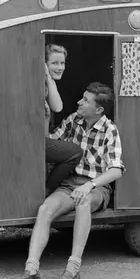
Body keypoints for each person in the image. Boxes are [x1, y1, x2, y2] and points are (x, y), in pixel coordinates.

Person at [11, 82, 124, 279]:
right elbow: (50, 143)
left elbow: (116, 170)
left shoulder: (110, 130)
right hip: (69, 184)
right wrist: (46, 120)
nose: (79, 102)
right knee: (45, 209)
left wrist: (89, 185)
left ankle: (73, 270)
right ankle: (31, 271)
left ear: (98, 109)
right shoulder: (74, 120)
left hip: (96, 188)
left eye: (86, 100)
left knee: (83, 201)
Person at [44, 44, 83, 194]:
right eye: (54, 63)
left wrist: (49, 78)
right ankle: (48, 189)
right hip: (35, 140)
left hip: (43, 137)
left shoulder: (48, 82)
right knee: (75, 152)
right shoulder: (43, 81)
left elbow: (57, 106)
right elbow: (57, 108)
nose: (60, 67)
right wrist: (48, 77)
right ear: (44, 65)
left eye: (62, 63)